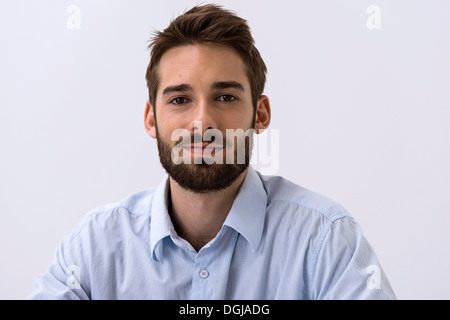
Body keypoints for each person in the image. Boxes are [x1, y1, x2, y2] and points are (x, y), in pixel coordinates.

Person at [29, 4, 396, 300]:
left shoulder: (325, 240)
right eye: (179, 99)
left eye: (225, 97)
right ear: (151, 118)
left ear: (261, 113)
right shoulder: (95, 246)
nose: (202, 122)